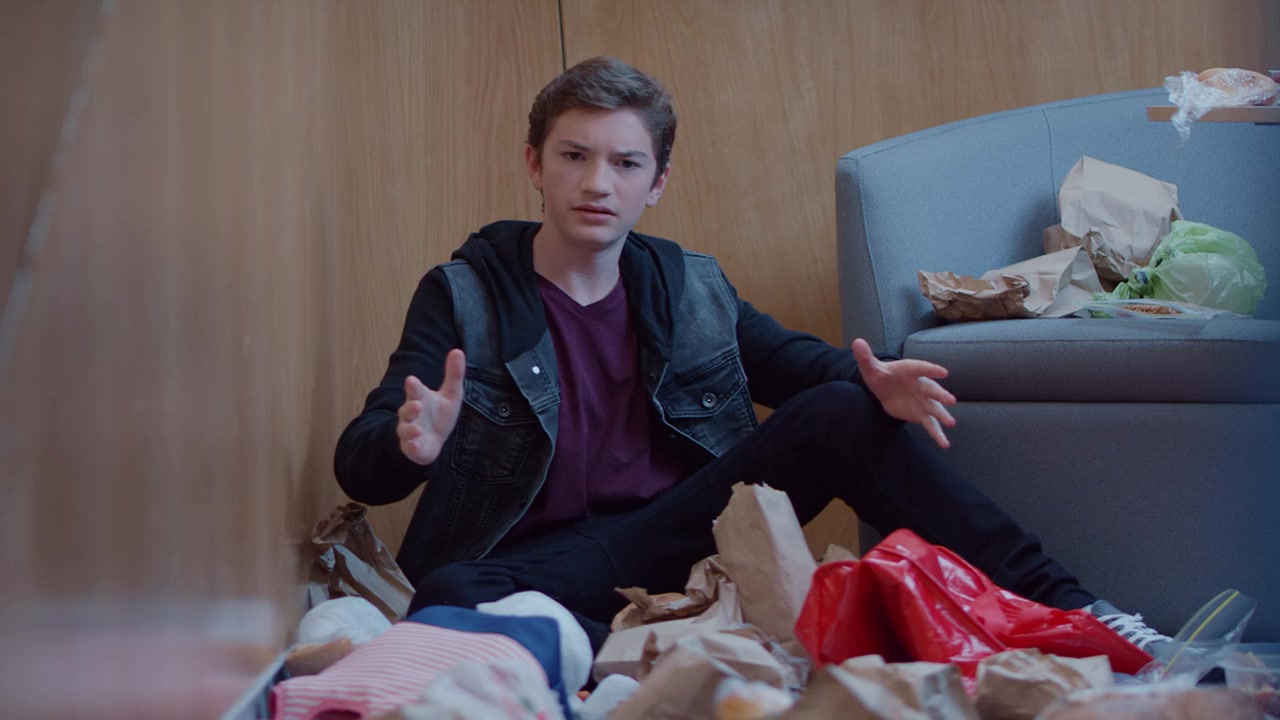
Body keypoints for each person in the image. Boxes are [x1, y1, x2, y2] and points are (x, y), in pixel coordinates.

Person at [334, 56, 1172, 656]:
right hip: (537, 565)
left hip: (669, 537)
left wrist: (869, 380)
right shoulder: (466, 294)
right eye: (574, 156)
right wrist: (412, 446)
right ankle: (654, 653)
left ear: (656, 183)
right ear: (535, 165)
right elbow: (360, 466)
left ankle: (1087, 614)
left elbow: (797, 366)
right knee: (446, 595)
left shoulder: (689, 286)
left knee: (841, 408)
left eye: (625, 163)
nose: (597, 183)